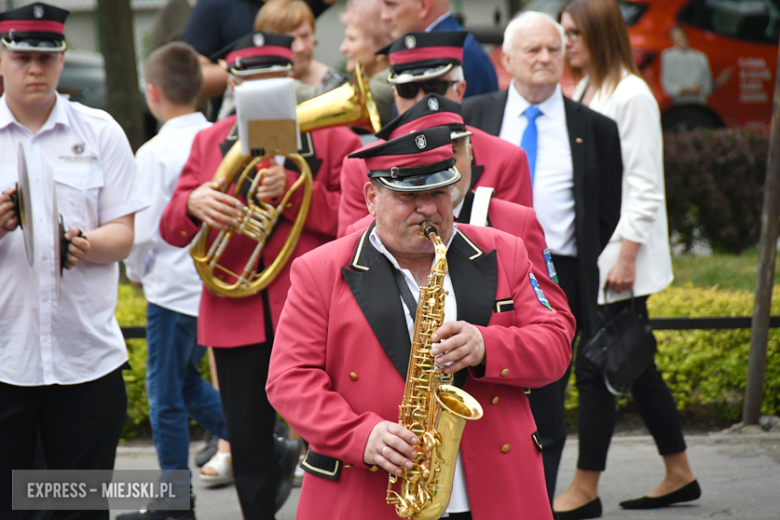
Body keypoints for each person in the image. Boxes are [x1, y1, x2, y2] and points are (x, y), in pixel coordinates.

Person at [266, 126, 575, 520]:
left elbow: (556, 345)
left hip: (496, 488)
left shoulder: (505, 250)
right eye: (408, 196)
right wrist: (359, 435)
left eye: (438, 192)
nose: (428, 209)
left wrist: (486, 346)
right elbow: (289, 380)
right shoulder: (319, 270)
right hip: (371, 490)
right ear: (371, 198)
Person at [159, 31, 361, 520]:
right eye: (250, 82)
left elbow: (355, 223)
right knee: (247, 439)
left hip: (314, 309)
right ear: (232, 82)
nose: (262, 92)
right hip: (237, 314)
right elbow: (170, 229)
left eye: (273, 80)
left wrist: (296, 189)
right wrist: (193, 203)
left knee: (332, 432)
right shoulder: (210, 141)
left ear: (289, 79)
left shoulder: (334, 137)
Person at [461, 11, 623, 503]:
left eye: (554, 49)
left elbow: (606, 210)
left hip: (559, 271)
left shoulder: (594, 127)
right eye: (532, 50)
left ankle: (538, 505)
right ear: (506, 59)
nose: (546, 58)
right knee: (487, 394)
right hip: (479, 270)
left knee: (548, 402)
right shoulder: (474, 116)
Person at [0, 3, 149, 519]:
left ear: (63, 59)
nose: (34, 69)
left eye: (46, 56)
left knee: (78, 509)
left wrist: (89, 243)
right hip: (5, 359)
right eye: (21, 56)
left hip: (84, 360)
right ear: (2, 59)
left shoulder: (101, 130)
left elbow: (124, 234)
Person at [554, 1, 699, 517]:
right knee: (635, 366)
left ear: (600, 34)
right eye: (563, 31)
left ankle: (585, 488)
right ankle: (679, 473)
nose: (565, 41)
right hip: (601, 255)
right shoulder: (593, 86)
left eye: (575, 32)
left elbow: (644, 184)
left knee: (598, 367)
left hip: (620, 260)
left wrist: (628, 255)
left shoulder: (630, 94)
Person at [120, 42, 230, 520]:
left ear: (152, 92)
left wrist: (136, 275)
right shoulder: (218, 138)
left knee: (164, 397)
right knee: (184, 385)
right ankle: (264, 442)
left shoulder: (153, 151)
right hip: (213, 285)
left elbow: (141, 234)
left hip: (168, 288)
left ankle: (172, 503)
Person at [337, 32, 533, 237]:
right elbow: (353, 253)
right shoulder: (361, 164)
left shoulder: (506, 158)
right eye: (408, 89)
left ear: (460, 90)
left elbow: (517, 243)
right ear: (395, 95)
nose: (422, 99)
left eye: (434, 87)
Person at [380, 0, 497, 98]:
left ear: (423, 5)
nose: (384, 16)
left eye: (392, 5)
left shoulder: (457, 53)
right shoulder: (456, 47)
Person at [255, 0, 347, 94]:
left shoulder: (338, 87)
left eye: (305, 36)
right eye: (290, 40)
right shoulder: (252, 83)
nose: (300, 48)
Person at [339, 0, 395, 126]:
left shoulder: (390, 85)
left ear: (381, 43)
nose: (342, 48)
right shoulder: (359, 81)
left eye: (352, 39)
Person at [661, 26, 732, 105]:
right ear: (672, 39)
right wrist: (689, 91)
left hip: (699, 103)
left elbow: (708, 86)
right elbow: (669, 86)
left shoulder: (700, 57)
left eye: (681, 36)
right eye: (676, 37)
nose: (680, 39)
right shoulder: (668, 56)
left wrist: (720, 80)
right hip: (680, 104)